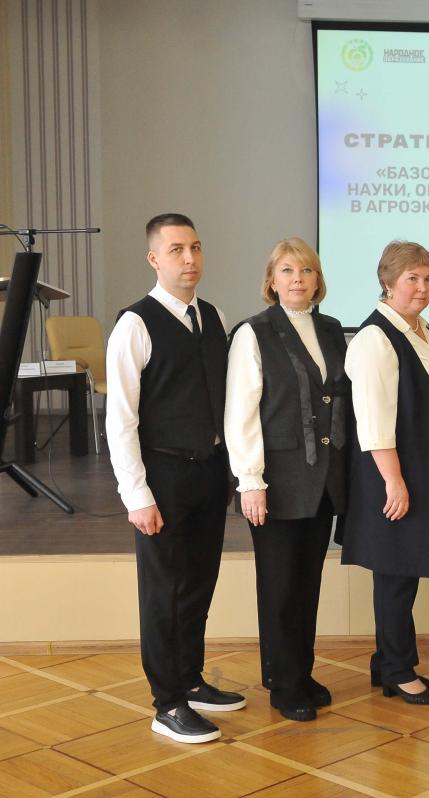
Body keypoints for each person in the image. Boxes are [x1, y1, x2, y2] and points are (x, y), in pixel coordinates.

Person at [106, 213, 245, 744]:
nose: (190, 259)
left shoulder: (213, 316)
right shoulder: (135, 325)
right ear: (154, 259)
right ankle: (166, 703)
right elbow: (120, 419)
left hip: (209, 473)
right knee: (162, 591)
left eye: (196, 247)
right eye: (177, 250)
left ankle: (190, 679)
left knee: (199, 582)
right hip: (161, 476)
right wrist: (135, 495)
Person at [224, 238, 347, 722]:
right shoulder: (253, 333)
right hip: (274, 480)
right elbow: (241, 413)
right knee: (279, 586)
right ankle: (283, 682)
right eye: (288, 271)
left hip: (322, 480)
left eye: (307, 270)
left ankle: (301, 671)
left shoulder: (331, 329)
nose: (298, 279)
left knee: (307, 582)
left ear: (318, 280)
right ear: (272, 280)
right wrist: (250, 480)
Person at [340, 241, 429, 706]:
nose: (423, 287)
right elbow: (373, 420)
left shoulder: (421, 329)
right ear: (388, 282)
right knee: (395, 576)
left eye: (428, 278)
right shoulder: (376, 338)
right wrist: (394, 481)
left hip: (422, 473)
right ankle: (397, 670)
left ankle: (389, 662)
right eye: (412, 278)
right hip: (393, 476)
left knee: (403, 574)